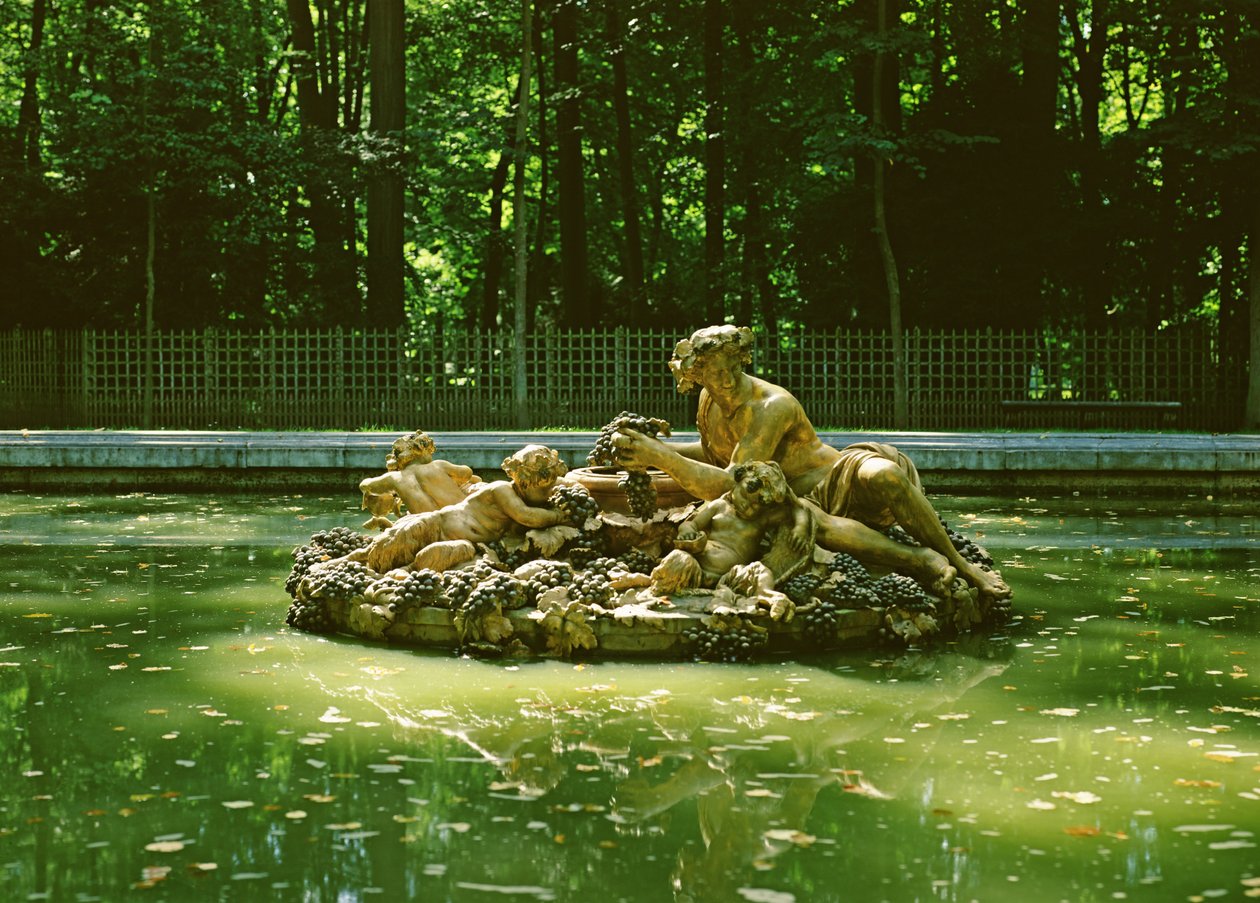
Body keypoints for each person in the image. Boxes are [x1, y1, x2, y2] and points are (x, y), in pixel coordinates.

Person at [613, 325, 1010, 603]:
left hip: (841, 478)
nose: (728, 380)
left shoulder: (771, 406)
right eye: (716, 373)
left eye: (734, 368)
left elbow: (727, 485)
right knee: (809, 519)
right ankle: (921, 561)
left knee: (886, 475)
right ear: (699, 376)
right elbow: (719, 457)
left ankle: (961, 565)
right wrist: (653, 449)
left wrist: (660, 456)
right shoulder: (709, 403)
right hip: (794, 502)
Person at [346, 444, 570, 574]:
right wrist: (559, 516)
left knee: (398, 549)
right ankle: (352, 562)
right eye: (545, 487)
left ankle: (396, 569)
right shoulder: (502, 489)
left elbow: (367, 484)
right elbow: (527, 516)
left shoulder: (395, 477)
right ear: (524, 481)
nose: (549, 491)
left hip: (448, 529)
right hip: (440, 524)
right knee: (390, 547)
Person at [358, 430, 482, 529]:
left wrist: (372, 490)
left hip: (430, 529)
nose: (431, 453)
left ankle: (385, 523)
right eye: (430, 450)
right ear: (421, 450)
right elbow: (467, 473)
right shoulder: (438, 465)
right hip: (465, 521)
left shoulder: (394, 478)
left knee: (410, 520)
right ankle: (385, 523)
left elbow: (364, 485)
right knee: (477, 483)